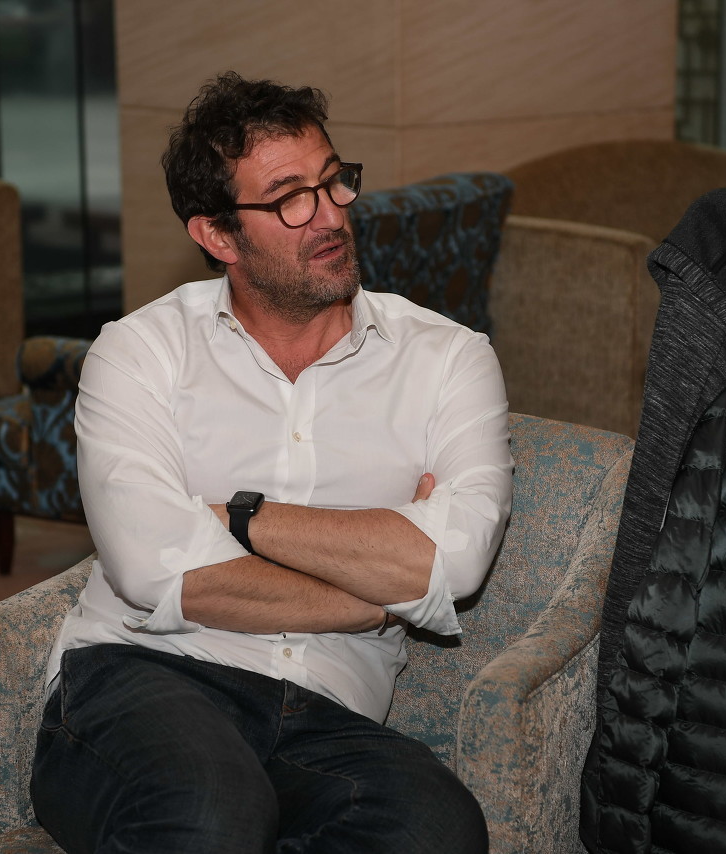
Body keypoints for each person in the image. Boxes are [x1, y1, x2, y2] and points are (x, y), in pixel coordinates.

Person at [29, 71, 513, 854]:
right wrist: (376, 600)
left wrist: (240, 519)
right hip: (146, 676)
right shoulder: (139, 353)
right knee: (214, 812)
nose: (330, 215)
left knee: (438, 828)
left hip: (328, 711)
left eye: (333, 181)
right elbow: (155, 573)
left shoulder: (448, 360)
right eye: (290, 198)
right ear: (219, 237)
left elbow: (453, 564)